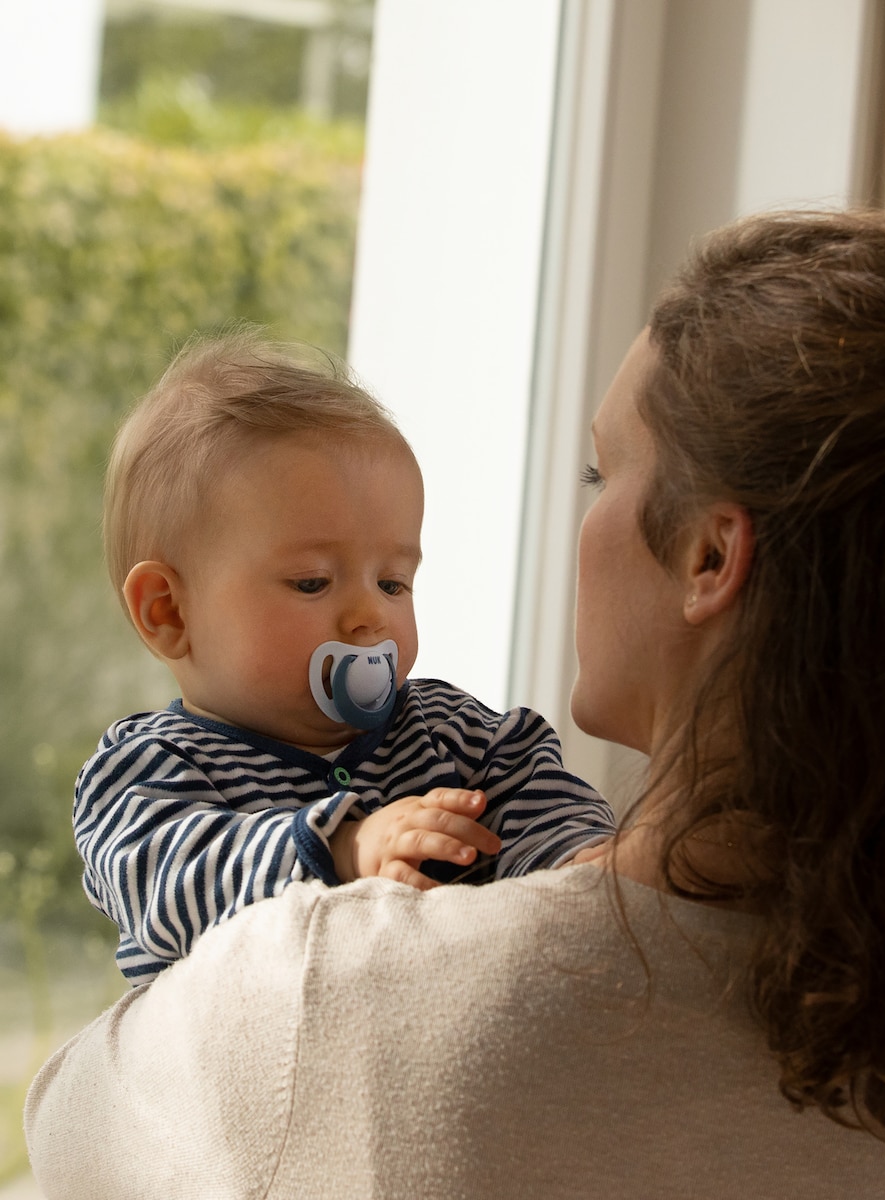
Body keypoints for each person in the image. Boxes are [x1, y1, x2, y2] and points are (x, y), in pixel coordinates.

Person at [27, 212, 885, 1198]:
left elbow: (67, 1129)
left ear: (711, 557)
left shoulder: (350, 1001)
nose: (370, 615)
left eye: (600, 474)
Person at [73, 329, 615, 982]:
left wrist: (579, 858)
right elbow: (167, 889)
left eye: (393, 582)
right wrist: (339, 847)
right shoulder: (147, 770)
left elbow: (536, 793)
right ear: (169, 611)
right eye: (312, 582)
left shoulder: (454, 736)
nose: (370, 616)